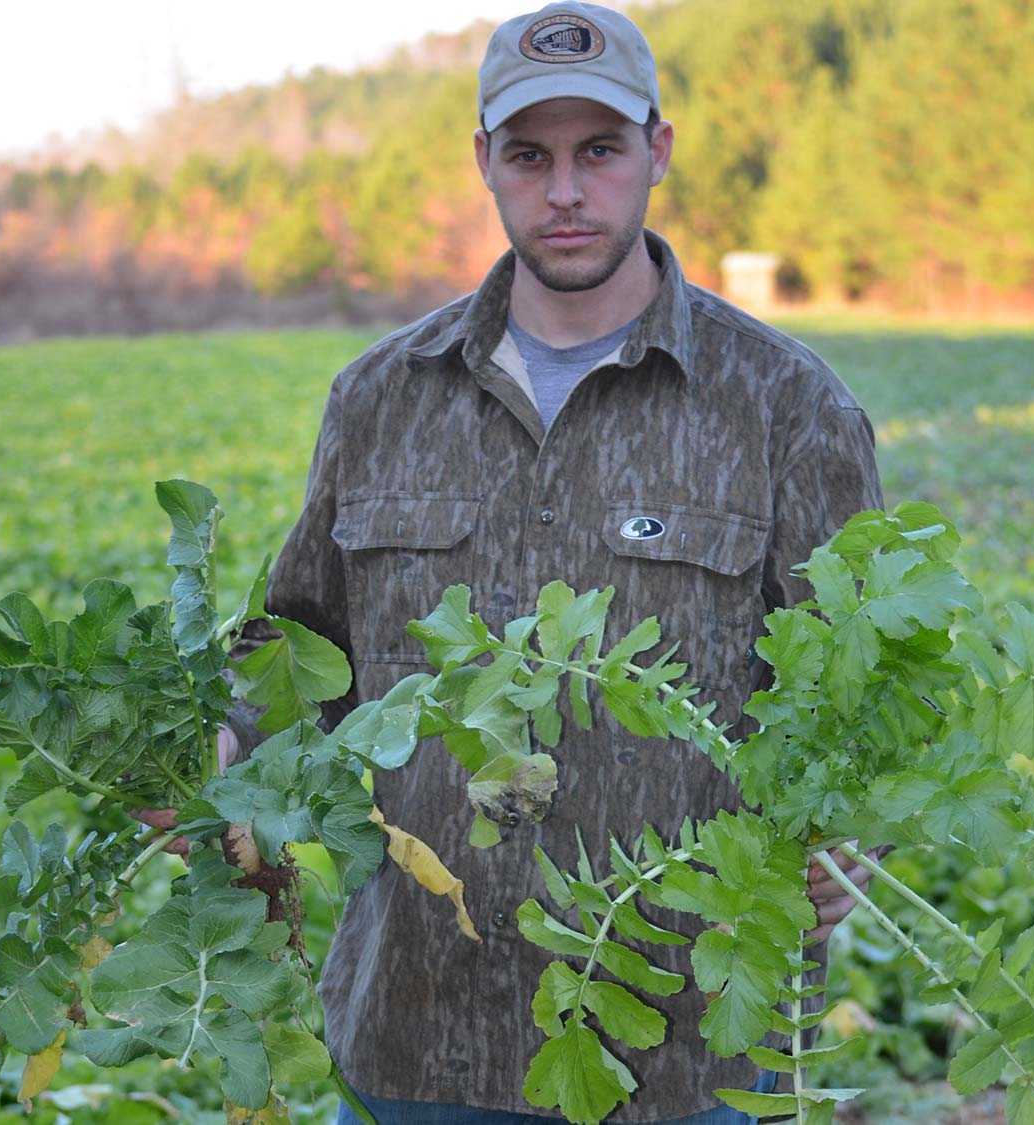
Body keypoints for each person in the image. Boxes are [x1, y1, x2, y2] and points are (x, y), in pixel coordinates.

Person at [193, 4, 884, 1121]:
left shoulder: (784, 406)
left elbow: (865, 689)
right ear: (486, 163)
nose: (566, 190)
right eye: (531, 154)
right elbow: (300, 643)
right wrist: (217, 741)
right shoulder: (380, 398)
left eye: (599, 151)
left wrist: (854, 835)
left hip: (687, 1056)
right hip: (416, 1029)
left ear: (656, 151)